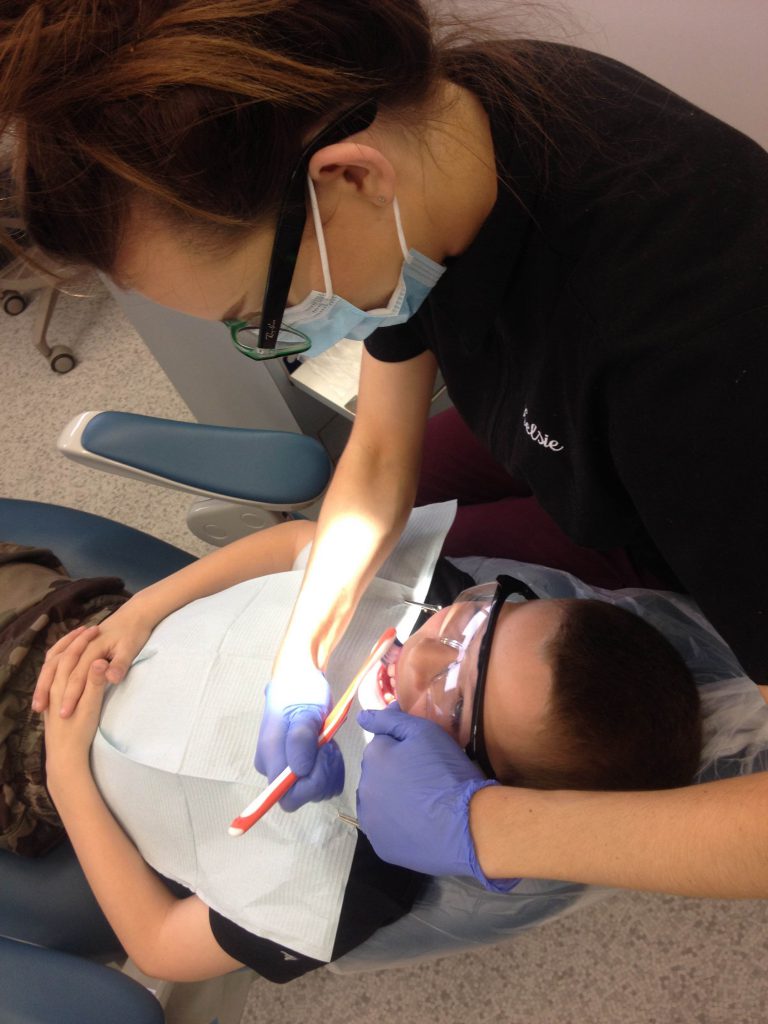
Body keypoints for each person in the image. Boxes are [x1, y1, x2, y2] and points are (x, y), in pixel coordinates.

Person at [2, 2, 766, 897]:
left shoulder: (698, 370)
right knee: (403, 529)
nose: (277, 337)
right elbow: (380, 452)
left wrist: (491, 827)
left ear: (349, 178)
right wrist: (303, 652)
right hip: (559, 422)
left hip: (673, 483)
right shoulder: (445, 127)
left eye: (262, 316)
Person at [16, 517, 702, 983]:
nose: (429, 647)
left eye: (454, 697)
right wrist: (135, 615)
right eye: (482, 619)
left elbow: (161, 945)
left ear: (479, 783)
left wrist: (66, 770)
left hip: (28, 759)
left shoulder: (361, 885)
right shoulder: (432, 595)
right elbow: (298, 542)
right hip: (81, 618)